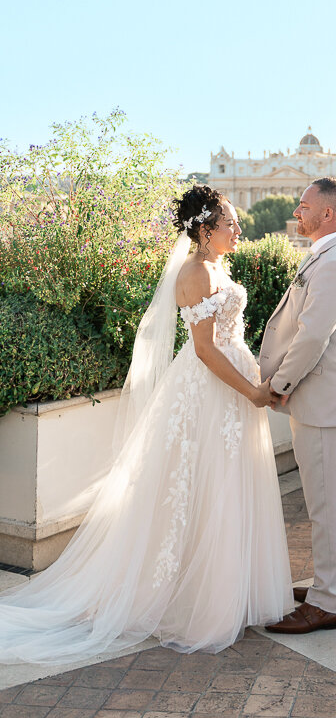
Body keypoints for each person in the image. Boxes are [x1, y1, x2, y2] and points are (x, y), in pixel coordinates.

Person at [0, 185, 292, 664]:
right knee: (197, 487)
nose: (238, 230)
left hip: (230, 390)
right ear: (204, 229)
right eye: (229, 224)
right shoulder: (195, 272)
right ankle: (191, 603)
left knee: (225, 486)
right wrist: (252, 391)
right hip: (209, 392)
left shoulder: (218, 267)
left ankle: (228, 591)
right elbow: (203, 349)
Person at [261, 177, 336, 633]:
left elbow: (312, 336)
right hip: (328, 399)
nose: (297, 213)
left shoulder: (335, 264)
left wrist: (280, 384)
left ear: (328, 213)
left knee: (327, 506)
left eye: (304, 206)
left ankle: (327, 602)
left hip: (325, 400)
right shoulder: (331, 254)